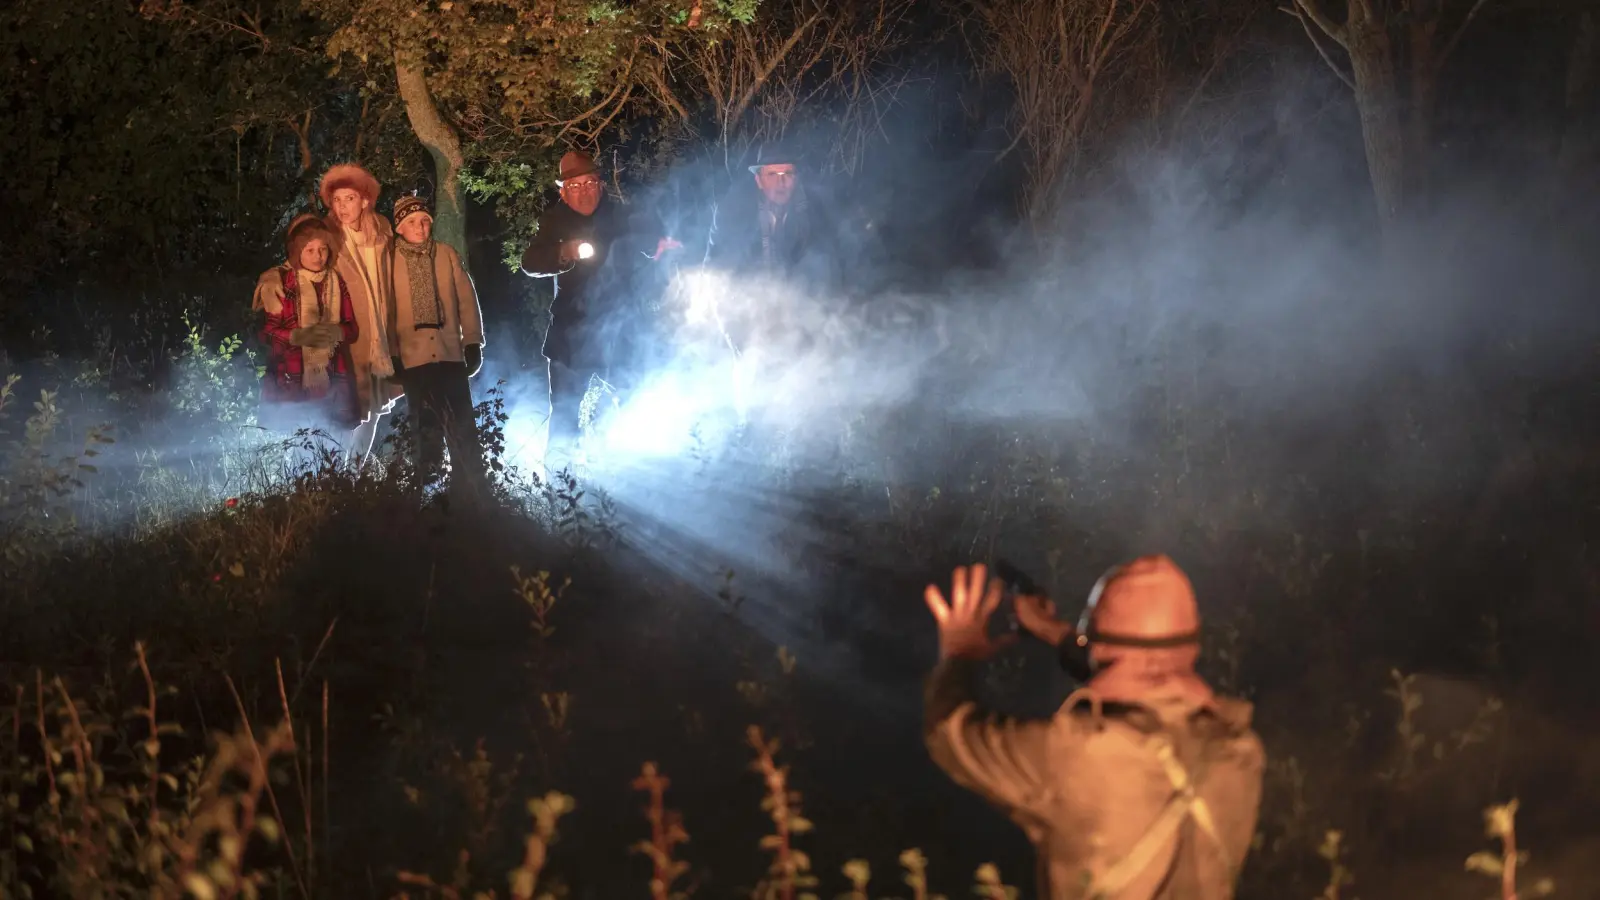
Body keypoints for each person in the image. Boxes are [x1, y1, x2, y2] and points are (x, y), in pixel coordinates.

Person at [922, 557, 1265, 900]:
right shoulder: (1240, 752)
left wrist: (958, 653)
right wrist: (1053, 632)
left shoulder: (1075, 756)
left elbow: (950, 733)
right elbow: (1148, 681)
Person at [519, 149, 680, 471]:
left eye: (590, 182)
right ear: (563, 192)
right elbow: (530, 263)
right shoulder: (554, 221)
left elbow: (646, 237)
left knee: (632, 403)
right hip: (571, 335)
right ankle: (559, 484)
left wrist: (657, 244)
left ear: (601, 185)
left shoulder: (619, 214)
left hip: (620, 329)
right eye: (575, 186)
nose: (584, 191)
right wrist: (564, 250)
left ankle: (628, 478)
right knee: (564, 412)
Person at [255, 163, 401, 467]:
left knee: (373, 412)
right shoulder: (329, 232)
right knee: (351, 409)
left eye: (349, 199)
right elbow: (298, 258)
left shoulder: (384, 229)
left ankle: (354, 475)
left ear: (365, 199)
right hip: (352, 338)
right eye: (336, 200)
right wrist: (270, 277)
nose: (342, 207)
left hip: (382, 336)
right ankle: (334, 478)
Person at [388, 193, 488, 490]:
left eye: (424, 221)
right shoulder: (389, 262)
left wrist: (471, 341)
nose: (419, 228)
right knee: (424, 423)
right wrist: (392, 354)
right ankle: (428, 485)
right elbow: (386, 311)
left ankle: (469, 485)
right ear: (399, 228)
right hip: (413, 358)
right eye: (411, 222)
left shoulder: (445, 254)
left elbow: (466, 300)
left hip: (449, 354)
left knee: (461, 421)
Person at [255, 213, 361, 436]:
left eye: (322, 249)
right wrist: (298, 337)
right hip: (291, 378)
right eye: (310, 250)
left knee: (332, 443)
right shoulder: (282, 283)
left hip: (332, 377)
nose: (318, 256)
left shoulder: (336, 281)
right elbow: (267, 333)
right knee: (299, 445)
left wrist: (337, 331)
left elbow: (351, 328)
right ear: (297, 252)